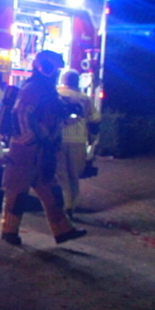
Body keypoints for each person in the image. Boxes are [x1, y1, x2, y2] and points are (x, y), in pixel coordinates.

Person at [0, 50, 87, 246]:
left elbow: (53, 114)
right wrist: (32, 139)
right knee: (17, 192)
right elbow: (20, 114)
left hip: (42, 149)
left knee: (50, 190)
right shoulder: (32, 89)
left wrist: (68, 113)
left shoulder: (48, 90)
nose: (55, 72)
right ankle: (9, 231)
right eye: (53, 67)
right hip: (25, 150)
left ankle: (63, 230)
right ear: (43, 66)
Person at [56, 69, 101, 219]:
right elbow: (95, 121)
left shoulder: (55, 94)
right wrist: (92, 141)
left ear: (63, 80)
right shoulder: (85, 98)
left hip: (58, 140)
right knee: (74, 176)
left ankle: (64, 205)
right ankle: (71, 207)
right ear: (77, 82)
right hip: (78, 142)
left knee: (61, 175)